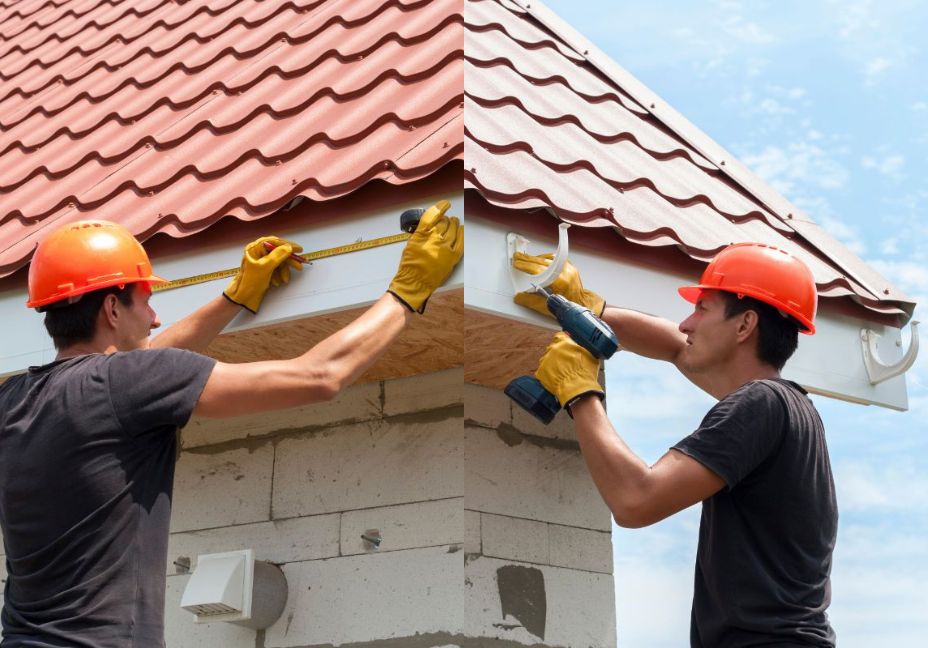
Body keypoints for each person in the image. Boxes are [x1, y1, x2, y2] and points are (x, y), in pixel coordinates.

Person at [0, 201, 462, 648]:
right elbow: (320, 376)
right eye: (146, 301)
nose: (157, 317)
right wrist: (409, 290)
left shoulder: (12, 401)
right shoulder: (125, 383)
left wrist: (234, 298)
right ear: (112, 310)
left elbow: (142, 368)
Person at [513, 242, 837, 647]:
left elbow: (636, 499)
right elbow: (672, 346)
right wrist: (581, 309)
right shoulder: (789, 409)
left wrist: (580, 393)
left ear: (744, 325)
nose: (686, 323)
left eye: (702, 309)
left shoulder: (760, 404)